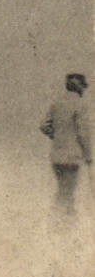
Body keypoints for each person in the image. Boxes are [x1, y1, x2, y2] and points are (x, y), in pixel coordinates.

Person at [42, 73, 91, 215]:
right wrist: (88, 156)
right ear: (79, 87)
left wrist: (56, 136)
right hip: (72, 156)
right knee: (68, 193)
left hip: (56, 155)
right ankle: (65, 224)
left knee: (61, 190)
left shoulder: (56, 103)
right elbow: (83, 133)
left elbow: (43, 125)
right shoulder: (80, 105)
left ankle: (58, 220)